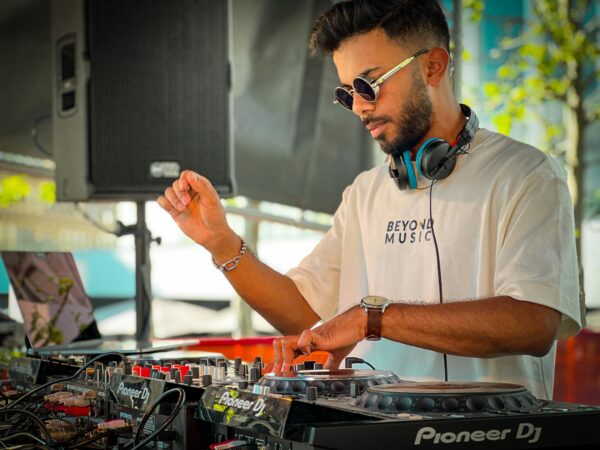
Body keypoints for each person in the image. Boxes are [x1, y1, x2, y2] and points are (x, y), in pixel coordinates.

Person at [157, 0, 581, 399]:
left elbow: (533, 322)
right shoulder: (365, 192)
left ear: (433, 66)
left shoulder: (526, 175)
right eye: (346, 93)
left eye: (368, 84)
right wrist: (221, 241)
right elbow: (308, 316)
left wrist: (372, 318)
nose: (359, 107)